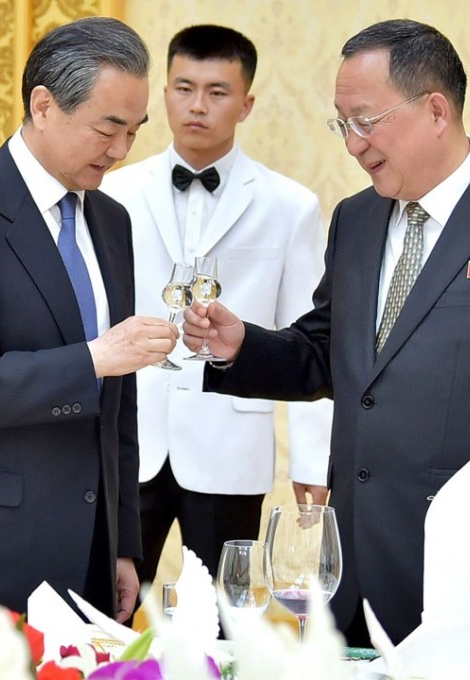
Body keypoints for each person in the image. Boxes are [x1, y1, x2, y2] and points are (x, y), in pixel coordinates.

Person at [183, 19, 470, 659]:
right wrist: (242, 344)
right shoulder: (356, 219)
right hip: (351, 567)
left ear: (435, 110)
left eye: (365, 121)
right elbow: (328, 352)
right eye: (342, 124)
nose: (352, 145)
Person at [0, 17, 177, 623]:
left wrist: (123, 543)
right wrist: (95, 358)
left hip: (89, 558)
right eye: (108, 128)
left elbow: (116, 405)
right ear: (43, 105)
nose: (124, 151)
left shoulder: (111, 220)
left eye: (134, 130)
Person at [100, 24, 332, 588]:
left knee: (228, 613)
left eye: (217, 91)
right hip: (132, 437)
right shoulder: (114, 192)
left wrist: (312, 461)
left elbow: (309, 337)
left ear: (246, 103)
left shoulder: (291, 206)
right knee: (110, 603)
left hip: (231, 445)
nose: (197, 105)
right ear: (164, 94)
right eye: (183, 88)